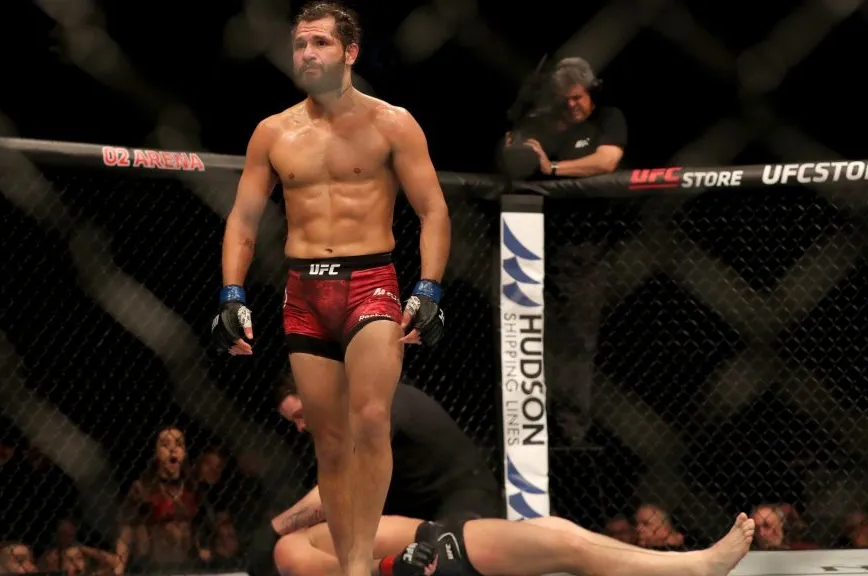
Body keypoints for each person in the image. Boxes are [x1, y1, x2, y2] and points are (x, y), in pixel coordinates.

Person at [211, 3, 451, 576]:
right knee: (330, 440)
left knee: (371, 420)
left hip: (371, 282)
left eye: (319, 42)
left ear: (349, 52)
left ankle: (360, 565)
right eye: (299, 44)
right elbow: (243, 220)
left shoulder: (393, 124)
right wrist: (231, 295)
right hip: (303, 293)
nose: (307, 54)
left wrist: (430, 287)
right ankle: (352, 564)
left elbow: (433, 209)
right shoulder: (274, 131)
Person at [269, 372, 500, 535]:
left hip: (465, 501)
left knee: (444, 555)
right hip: (419, 514)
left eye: (301, 414)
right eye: (294, 421)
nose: (301, 427)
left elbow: (341, 489)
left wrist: (275, 529)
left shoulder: (373, 405)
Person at [274, 512, 756, 576]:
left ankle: (679, 561)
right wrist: (387, 565)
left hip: (441, 541)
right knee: (574, 551)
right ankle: (699, 568)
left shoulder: (334, 512)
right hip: (441, 553)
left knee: (564, 532)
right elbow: (337, 573)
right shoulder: (288, 548)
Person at [503, 57, 626, 179]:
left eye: (576, 97)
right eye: (564, 99)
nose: (570, 105)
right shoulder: (543, 122)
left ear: (591, 94)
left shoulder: (608, 117)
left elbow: (606, 162)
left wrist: (552, 167)